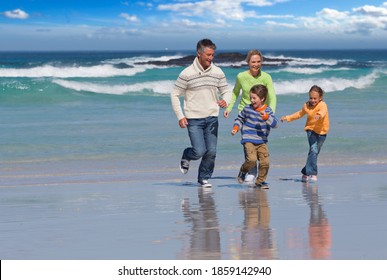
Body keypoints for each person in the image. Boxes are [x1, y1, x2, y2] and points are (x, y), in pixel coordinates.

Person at [170, 38, 232, 188]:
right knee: (199, 151)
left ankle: (203, 178)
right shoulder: (187, 73)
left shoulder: (217, 72)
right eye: (208, 55)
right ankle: (187, 155)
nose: (211, 58)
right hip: (194, 119)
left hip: (212, 117)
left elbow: (226, 90)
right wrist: (180, 116)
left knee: (211, 151)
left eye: (212, 55)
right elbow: (174, 94)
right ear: (199, 54)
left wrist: (225, 101)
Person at [224, 50, 277, 182]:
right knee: (249, 141)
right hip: (246, 112)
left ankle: (260, 173)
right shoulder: (241, 76)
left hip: (262, 114)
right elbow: (235, 92)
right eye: (253, 61)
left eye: (259, 61)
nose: (256, 64)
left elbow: (272, 97)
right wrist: (229, 108)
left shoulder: (266, 77)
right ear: (248, 62)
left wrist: (270, 114)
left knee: (261, 142)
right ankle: (252, 171)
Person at [231, 84, 278, 189]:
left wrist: (266, 117)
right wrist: (236, 127)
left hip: (262, 141)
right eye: (250, 97)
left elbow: (275, 124)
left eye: (254, 98)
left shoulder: (268, 111)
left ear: (262, 99)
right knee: (251, 160)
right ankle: (243, 171)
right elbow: (240, 119)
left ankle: (260, 182)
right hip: (248, 139)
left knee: (265, 162)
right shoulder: (247, 109)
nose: (251, 100)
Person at [280, 85, 329, 182]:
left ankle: (305, 172)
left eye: (315, 98)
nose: (313, 100)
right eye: (311, 98)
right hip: (310, 130)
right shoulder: (306, 106)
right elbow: (299, 114)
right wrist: (287, 118)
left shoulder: (323, 105)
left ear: (320, 98)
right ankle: (313, 174)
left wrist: (319, 115)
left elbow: (323, 112)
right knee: (313, 150)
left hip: (322, 132)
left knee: (314, 153)